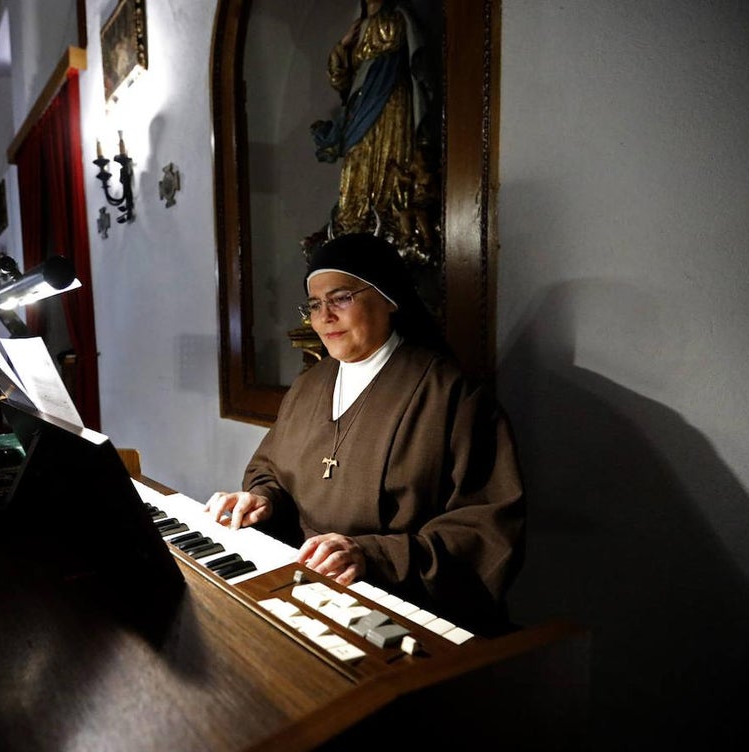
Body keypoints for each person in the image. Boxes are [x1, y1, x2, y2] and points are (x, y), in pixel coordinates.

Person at [203, 232, 525, 636]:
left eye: (340, 298)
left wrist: (371, 555)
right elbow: (272, 471)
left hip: (398, 610)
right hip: (302, 590)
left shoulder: (453, 396)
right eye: (315, 305)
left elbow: (485, 532)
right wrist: (261, 500)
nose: (324, 317)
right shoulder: (308, 385)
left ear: (389, 299)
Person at [310, 0, 438, 263]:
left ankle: (390, 218)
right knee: (357, 159)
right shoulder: (357, 29)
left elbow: (402, 46)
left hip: (392, 101)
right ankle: (355, 220)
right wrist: (343, 47)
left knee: (391, 158)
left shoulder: (397, 18)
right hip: (360, 108)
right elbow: (341, 81)